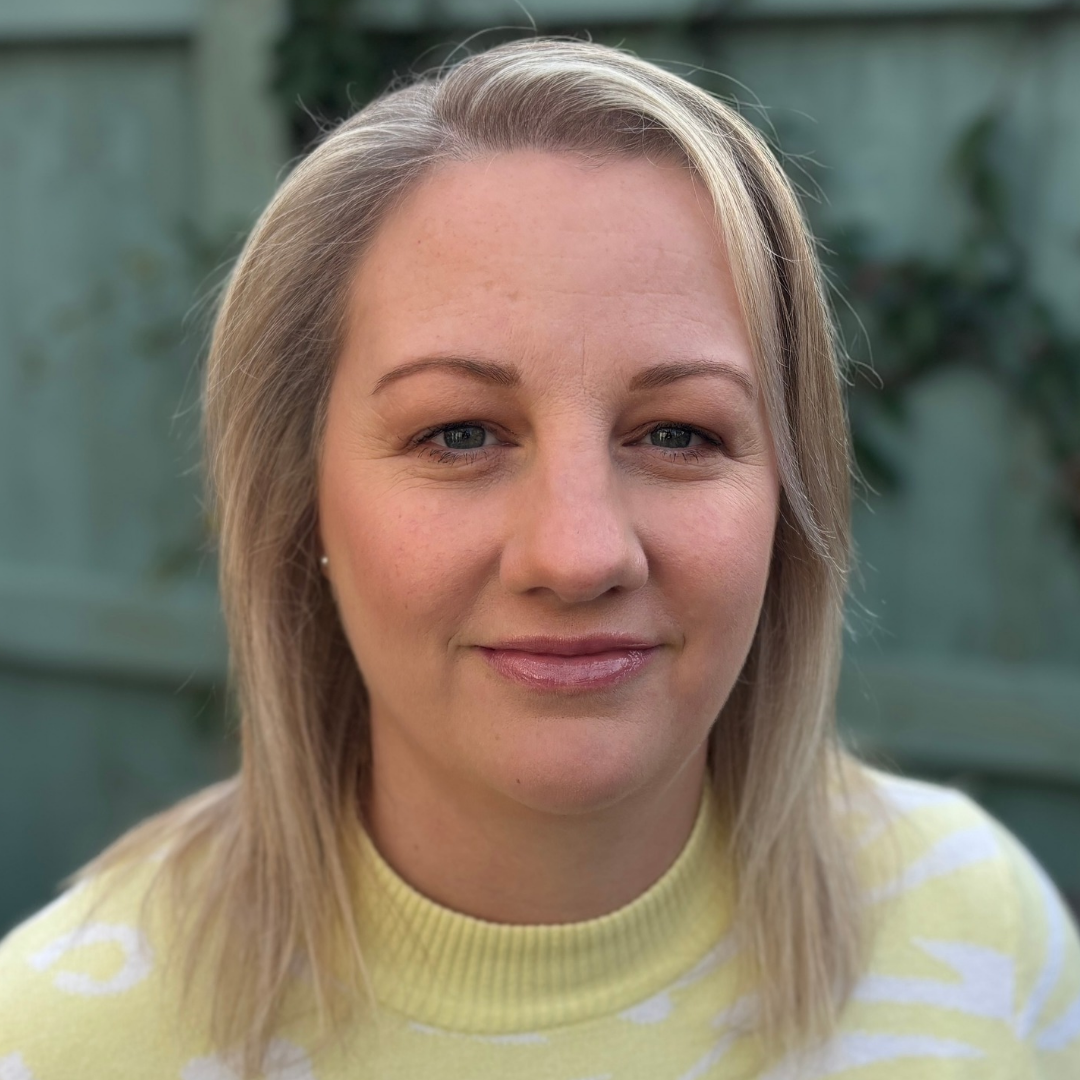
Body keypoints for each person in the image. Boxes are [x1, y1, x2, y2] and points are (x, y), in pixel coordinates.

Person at [1, 36, 1078, 1080]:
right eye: (458, 434)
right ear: (300, 502)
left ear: (790, 501)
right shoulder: (58, 1038)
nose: (578, 554)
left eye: (678, 434)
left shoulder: (978, 928)